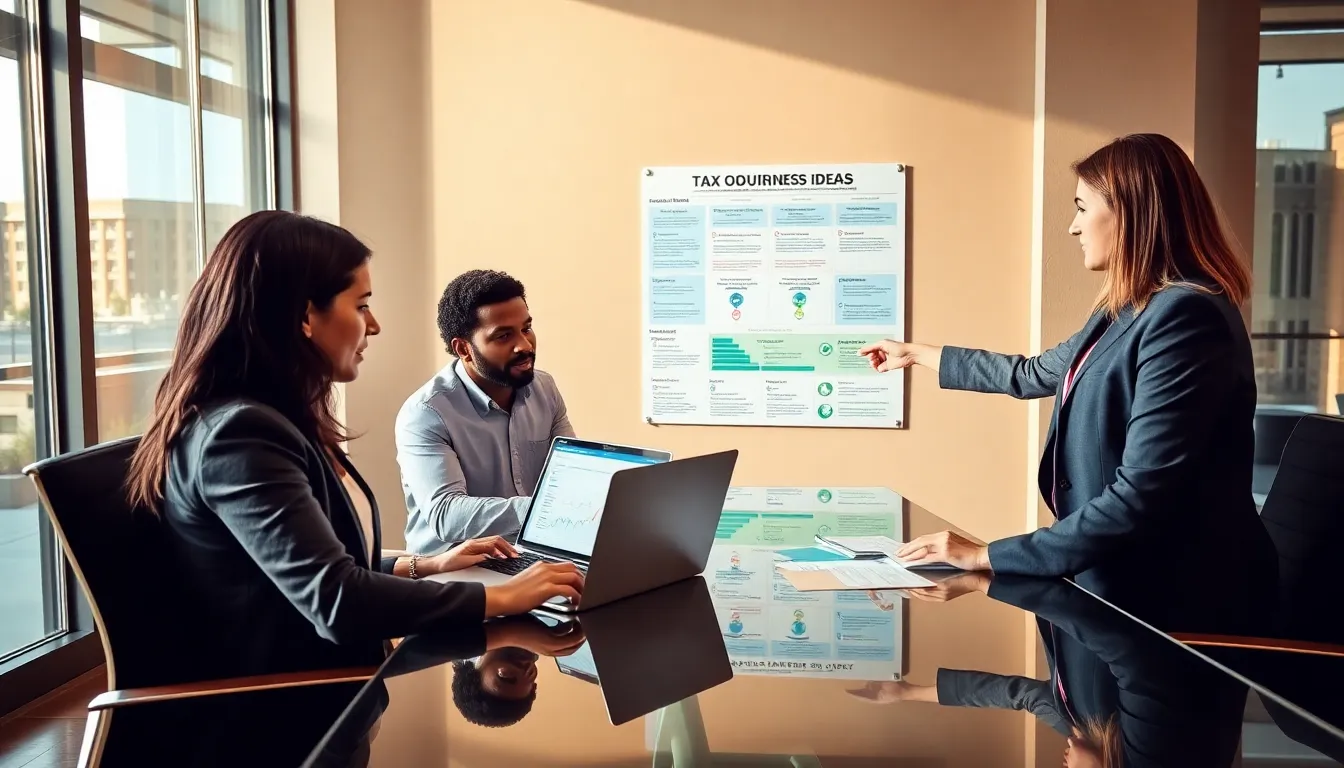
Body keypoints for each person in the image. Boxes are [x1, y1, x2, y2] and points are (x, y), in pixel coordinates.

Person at [124, 210, 584, 700]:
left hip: (329, 685)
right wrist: (502, 596)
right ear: (304, 316)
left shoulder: (261, 421)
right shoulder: (241, 435)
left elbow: (312, 565)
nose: (375, 325)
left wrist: (422, 566)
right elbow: (337, 601)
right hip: (291, 707)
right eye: (361, 305)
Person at [859, 133, 1276, 633]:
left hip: (1175, 605)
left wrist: (985, 554)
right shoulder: (1127, 310)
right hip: (1122, 583)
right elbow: (1034, 372)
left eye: (1082, 207)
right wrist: (917, 354)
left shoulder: (1185, 317)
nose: (1072, 225)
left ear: (1131, 212)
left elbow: (1139, 496)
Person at [396, 269, 574, 554]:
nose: (525, 345)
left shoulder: (545, 388)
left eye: (526, 328)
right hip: (451, 572)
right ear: (464, 349)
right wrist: (543, 510)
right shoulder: (426, 412)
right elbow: (447, 515)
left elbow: (568, 477)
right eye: (503, 336)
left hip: (528, 557)